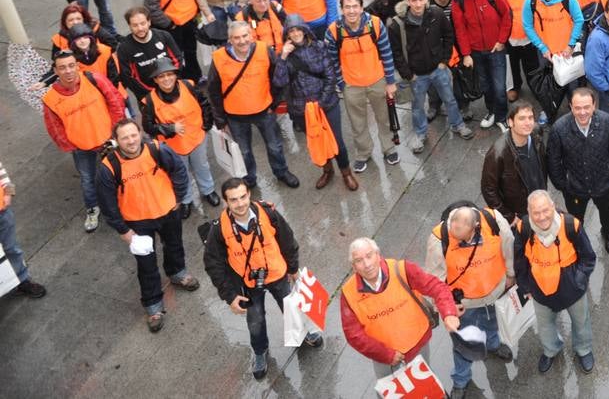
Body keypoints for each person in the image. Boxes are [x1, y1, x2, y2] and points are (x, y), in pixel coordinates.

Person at [202, 178, 323, 380]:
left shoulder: (268, 213)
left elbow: (287, 239)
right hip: (247, 283)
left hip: (277, 273)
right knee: (255, 320)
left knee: (291, 306)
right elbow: (213, 264)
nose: (240, 203)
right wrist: (230, 296)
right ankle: (260, 351)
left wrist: (293, 270)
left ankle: (303, 332)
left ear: (249, 194)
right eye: (233, 200)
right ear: (226, 202)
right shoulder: (219, 230)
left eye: (243, 197)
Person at [96, 118, 200, 331]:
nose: (131, 141)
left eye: (134, 135)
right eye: (124, 137)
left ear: (140, 133)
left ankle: (178, 272)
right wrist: (123, 230)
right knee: (146, 264)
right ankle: (153, 303)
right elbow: (107, 204)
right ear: (116, 140)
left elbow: (179, 171)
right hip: (137, 222)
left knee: (174, 246)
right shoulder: (108, 168)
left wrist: (179, 198)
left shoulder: (158, 149)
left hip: (168, 211)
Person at [424, 204, 517, 397]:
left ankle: (492, 345)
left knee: (493, 323)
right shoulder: (439, 238)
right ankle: (461, 379)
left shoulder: (494, 221)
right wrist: (445, 309)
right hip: (464, 305)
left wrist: (510, 273)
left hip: (493, 293)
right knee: (463, 344)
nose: (457, 239)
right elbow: (434, 280)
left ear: (475, 226)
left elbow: (508, 246)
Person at [340, 237, 459, 379]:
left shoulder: (402, 269)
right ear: (353, 267)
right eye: (359, 261)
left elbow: (436, 287)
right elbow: (354, 335)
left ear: (378, 255)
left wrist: (449, 312)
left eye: (369, 256)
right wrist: (386, 355)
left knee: (424, 383)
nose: (366, 264)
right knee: (391, 391)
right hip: (384, 359)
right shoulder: (348, 293)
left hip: (417, 346)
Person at [207, 21, 300, 189]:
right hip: (235, 115)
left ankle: (281, 172)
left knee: (274, 146)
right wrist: (220, 120)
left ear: (251, 35)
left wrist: (275, 102)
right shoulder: (219, 58)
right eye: (237, 38)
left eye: (245, 36)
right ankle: (249, 179)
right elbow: (213, 91)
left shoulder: (264, 50)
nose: (242, 41)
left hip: (265, 110)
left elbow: (277, 77)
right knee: (244, 152)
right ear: (230, 40)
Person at [514, 190, 597, 374]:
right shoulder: (523, 229)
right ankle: (551, 349)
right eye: (536, 213)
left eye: (545, 210)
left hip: (571, 289)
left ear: (553, 206)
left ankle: (583, 349)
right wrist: (526, 286)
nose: (542, 217)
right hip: (540, 290)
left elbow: (588, 258)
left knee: (581, 322)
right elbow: (519, 260)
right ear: (529, 212)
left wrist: (578, 281)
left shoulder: (571, 225)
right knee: (545, 326)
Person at [42, 51, 125, 233]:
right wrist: (72, 145)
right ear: (55, 70)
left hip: (107, 140)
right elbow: (54, 128)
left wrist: (116, 130)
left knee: (118, 173)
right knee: (88, 179)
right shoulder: (50, 99)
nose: (68, 71)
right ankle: (93, 208)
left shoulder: (94, 79)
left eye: (71, 65)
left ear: (77, 65)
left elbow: (115, 101)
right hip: (81, 147)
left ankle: (123, 203)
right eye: (62, 67)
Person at [389, 0, 474, 151]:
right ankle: (420, 134)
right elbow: (396, 53)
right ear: (407, 1)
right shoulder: (397, 24)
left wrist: (444, 60)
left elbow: (448, 35)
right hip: (416, 75)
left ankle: (458, 124)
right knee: (417, 107)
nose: (418, 4)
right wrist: (408, 74)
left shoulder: (436, 14)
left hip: (438, 69)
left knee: (450, 99)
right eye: (414, 0)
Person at [278, 15, 358, 190]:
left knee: (337, 141)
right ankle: (328, 171)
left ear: (305, 30)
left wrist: (321, 102)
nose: (296, 33)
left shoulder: (319, 47)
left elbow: (331, 75)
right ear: (287, 34)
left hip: (327, 104)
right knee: (317, 141)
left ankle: (346, 172)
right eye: (291, 31)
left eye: (298, 29)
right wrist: (283, 56)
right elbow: (279, 82)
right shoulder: (284, 55)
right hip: (302, 109)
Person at [326, 0, 400, 171]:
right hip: (351, 85)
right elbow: (331, 61)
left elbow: (387, 53)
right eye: (347, 7)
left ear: (361, 7)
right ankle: (363, 153)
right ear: (342, 9)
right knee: (357, 123)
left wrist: (390, 81)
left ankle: (389, 148)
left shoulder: (375, 24)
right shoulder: (333, 31)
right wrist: (342, 84)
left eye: (355, 6)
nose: (351, 11)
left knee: (384, 118)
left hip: (378, 81)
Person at [548, 87, 609, 256]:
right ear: (571, 107)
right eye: (577, 108)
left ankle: (608, 234)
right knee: (576, 220)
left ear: (594, 105)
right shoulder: (559, 129)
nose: (582, 112)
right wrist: (563, 184)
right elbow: (553, 161)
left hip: (603, 183)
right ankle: (578, 240)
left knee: (607, 213)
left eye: (586, 107)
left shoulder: (607, 122)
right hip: (575, 187)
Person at [140, 59, 218, 209]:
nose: (166, 79)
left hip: (197, 138)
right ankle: (186, 200)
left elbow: (204, 103)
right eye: (161, 76)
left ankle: (208, 190)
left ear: (175, 75)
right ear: (155, 80)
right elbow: (148, 126)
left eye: (169, 74)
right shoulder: (149, 101)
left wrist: (206, 125)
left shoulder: (189, 86)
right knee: (180, 173)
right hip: (173, 146)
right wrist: (169, 129)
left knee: (202, 166)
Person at [449, 0, 511, 129]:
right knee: (485, 85)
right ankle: (491, 111)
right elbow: (460, 29)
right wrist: (466, 54)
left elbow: (507, 15)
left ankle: (502, 117)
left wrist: (501, 40)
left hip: (495, 49)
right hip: (476, 52)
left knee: (499, 86)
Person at [482, 100, 549, 225]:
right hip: (519, 212)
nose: (528, 123)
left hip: (539, 202)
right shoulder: (498, 153)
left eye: (530, 118)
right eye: (522, 118)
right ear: (510, 122)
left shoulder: (536, 134)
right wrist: (509, 217)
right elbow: (488, 189)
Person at [116, 6, 186, 102]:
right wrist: (151, 93)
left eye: (143, 23)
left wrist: (170, 83)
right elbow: (129, 78)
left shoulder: (164, 36)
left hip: (173, 89)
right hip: (147, 97)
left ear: (149, 22)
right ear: (130, 26)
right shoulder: (124, 49)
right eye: (135, 25)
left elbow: (177, 60)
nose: (140, 28)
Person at [0, 160, 46, 298]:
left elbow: (1, 171)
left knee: (11, 248)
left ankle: (22, 280)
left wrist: (8, 191)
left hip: (2, 212)